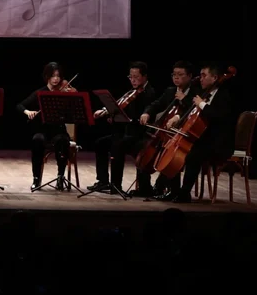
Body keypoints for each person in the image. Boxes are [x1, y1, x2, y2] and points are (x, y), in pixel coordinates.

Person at [165, 63, 237, 203]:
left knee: (193, 155)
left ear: (215, 77)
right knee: (173, 150)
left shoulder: (224, 95)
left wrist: (202, 104)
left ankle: (184, 193)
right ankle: (173, 191)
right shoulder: (204, 93)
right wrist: (177, 117)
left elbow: (218, 117)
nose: (201, 79)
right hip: (202, 141)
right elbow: (192, 113)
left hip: (218, 143)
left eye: (204, 76)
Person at [88, 61, 156, 195]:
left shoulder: (149, 93)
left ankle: (116, 185)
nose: (133, 80)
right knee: (100, 143)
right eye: (130, 77)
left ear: (144, 77)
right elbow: (118, 104)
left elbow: (138, 117)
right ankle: (103, 181)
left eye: (136, 77)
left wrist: (122, 119)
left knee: (118, 145)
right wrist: (106, 112)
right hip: (128, 132)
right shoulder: (132, 92)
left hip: (140, 135)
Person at [136, 60, 200, 198]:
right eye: (174, 74)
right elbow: (155, 104)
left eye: (180, 74)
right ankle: (145, 188)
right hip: (165, 134)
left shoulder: (196, 93)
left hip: (181, 137)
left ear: (189, 76)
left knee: (171, 155)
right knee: (142, 147)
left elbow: (193, 111)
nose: (176, 77)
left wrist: (184, 100)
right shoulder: (170, 91)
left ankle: (170, 189)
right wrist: (147, 112)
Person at [17, 62, 75, 190]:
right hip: (42, 131)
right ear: (47, 76)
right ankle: (36, 179)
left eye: (58, 76)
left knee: (62, 140)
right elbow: (20, 105)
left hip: (59, 130)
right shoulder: (40, 92)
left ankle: (60, 177)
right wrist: (28, 112)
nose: (56, 79)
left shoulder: (64, 92)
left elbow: (73, 110)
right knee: (37, 140)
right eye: (53, 76)